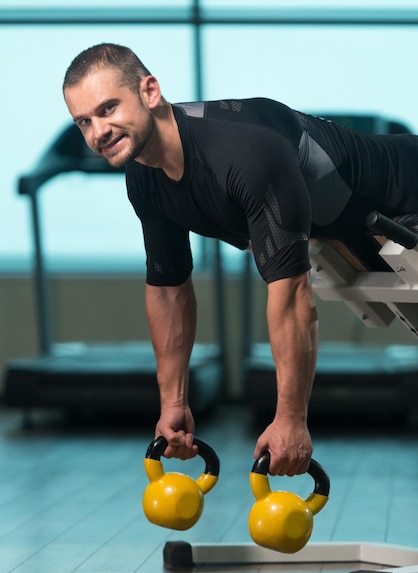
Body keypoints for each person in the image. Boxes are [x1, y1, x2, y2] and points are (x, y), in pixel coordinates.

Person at [63, 42, 418, 476]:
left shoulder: (242, 154)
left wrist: (291, 420)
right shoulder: (144, 176)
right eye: (84, 121)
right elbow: (169, 290)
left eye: (108, 109)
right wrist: (173, 402)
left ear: (150, 91)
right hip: (358, 228)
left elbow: (290, 297)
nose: (98, 131)